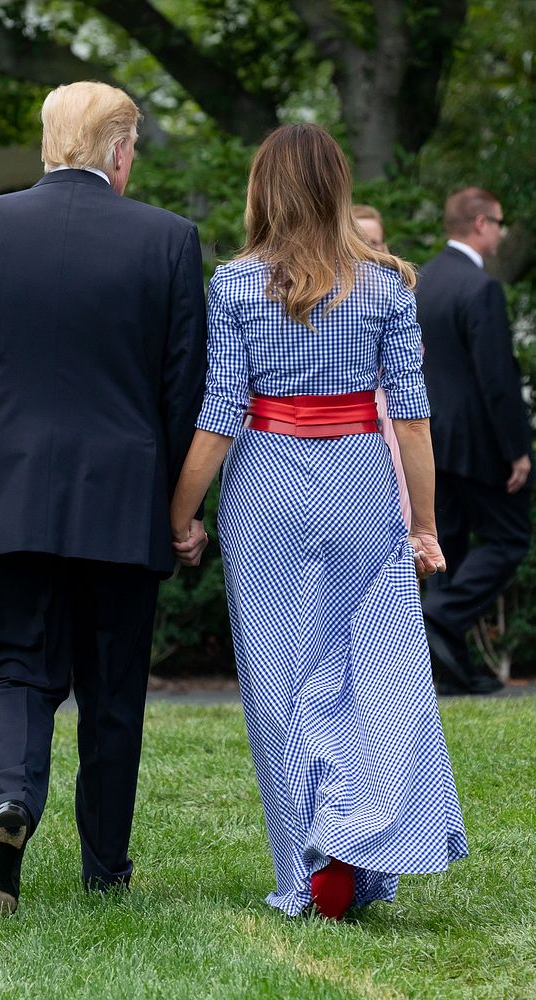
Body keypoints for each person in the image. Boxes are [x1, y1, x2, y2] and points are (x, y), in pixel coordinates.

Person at [0, 81, 208, 916]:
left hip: (2, 497)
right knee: (112, 690)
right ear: (119, 151)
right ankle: (105, 870)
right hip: (121, 504)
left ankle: (10, 801)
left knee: (14, 668)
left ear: (50, 143)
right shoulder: (167, 239)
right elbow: (183, 390)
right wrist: (180, 513)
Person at [171, 123, 467, 921]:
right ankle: (354, 841)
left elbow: (220, 412)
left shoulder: (232, 285)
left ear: (261, 190)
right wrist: (424, 524)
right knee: (368, 673)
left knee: (277, 684)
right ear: (338, 187)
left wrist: (180, 513)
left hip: (265, 481)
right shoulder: (387, 284)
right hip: (361, 485)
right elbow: (410, 420)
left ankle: (304, 868)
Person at [416, 187, 532, 695]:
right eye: (499, 223)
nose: (503, 233)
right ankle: (438, 614)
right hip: (476, 442)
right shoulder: (480, 287)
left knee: (449, 548)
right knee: (510, 537)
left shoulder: (421, 279)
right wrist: (517, 450)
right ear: (481, 223)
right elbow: (497, 379)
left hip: (429, 438)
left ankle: (453, 674)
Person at [352, 204, 411, 527]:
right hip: (357, 418)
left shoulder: (396, 297)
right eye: (362, 242)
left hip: (394, 420)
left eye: (376, 243)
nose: (371, 251)